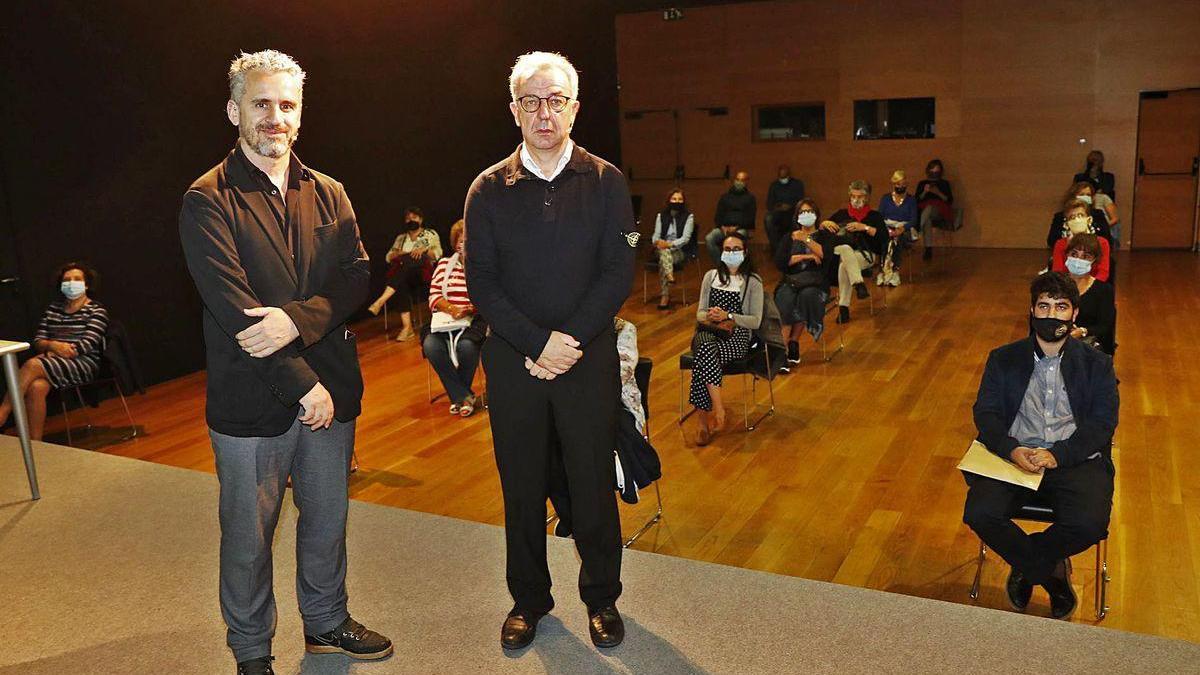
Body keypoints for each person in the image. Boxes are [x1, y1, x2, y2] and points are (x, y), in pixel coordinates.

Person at [178, 50, 391, 675]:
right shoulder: (206, 200)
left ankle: (326, 623)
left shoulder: (329, 191)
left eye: (287, 105)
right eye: (262, 104)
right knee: (248, 539)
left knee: (327, 521)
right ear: (234, 110)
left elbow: (356, 276)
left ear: (300, 114)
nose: (276, 117)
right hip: (254, 400)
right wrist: (303, 385)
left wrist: (297, 321)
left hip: (332, 388)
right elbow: (236, 311)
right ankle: (251, 652)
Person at [464, 51, 635, 652]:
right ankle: (528, 599)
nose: (544, 112)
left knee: (591, 483)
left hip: (586, 357)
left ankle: (603, 597)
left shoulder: (608, 180)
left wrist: (568, 342)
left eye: (555, 99)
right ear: (514, 111)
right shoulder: (486, 189)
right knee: (522, 484)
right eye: (531, 101)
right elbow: (481, 282)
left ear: (574, 107)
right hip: (514, 360)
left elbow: (619, 270)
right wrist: (537, 343)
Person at [964, 272, 1118, 621]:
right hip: (1015, 457)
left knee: (1090, 524)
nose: (1051, 315)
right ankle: (1051, 572)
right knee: (979, 512)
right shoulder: (1003, 358)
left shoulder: (1097, 365)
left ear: (1074, 315)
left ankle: (1028, 564)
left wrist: (1058, 454)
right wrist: (1011, 448)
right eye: (1044, 306)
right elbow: (985, 413)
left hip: (1073, 458)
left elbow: (1102, 424)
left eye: (1061, 307)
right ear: (1031, 310)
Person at [0, 262, 109, 441]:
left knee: (33, 364)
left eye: (77, 279)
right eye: (67, 280)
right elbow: (38, 341)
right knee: (36, 387)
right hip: (52, 361)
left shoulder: (96, 311)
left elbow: (84, 346)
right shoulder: (54, 309)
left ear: (86, 284)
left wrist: (52, 349)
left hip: (84, 363)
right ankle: (35, 443)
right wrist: (53, 346)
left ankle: (3, 412)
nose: (71, 283)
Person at [690, 231, 763, 446]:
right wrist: (712, 315)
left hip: (737, 335)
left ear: (745, 252)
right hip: (709, 330)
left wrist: (729, 316)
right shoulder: (710, 276)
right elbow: (700, 313)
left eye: (736, 249)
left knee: (703, 357)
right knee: (704, 346)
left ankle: (703, 422)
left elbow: (755, 321)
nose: (731, 253)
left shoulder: (752, 282)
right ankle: (718, 408)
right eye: (727, 249)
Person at [421, 220, 486, 416]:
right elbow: (434, 296)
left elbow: (486, 298)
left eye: (465, 241)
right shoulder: (443, 265)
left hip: (472, 321)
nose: (461, 245)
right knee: (431, 345)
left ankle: (459, 397)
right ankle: (463, 396)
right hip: (445, 320)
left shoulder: (481, 267)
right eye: (459, 241)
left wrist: (467, 309)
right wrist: (451, 309)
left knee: (466, 347)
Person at [366, 207, 443, 342]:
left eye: (414, 217)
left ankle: (382, 299)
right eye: (408, 218)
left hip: (423, 275)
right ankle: (407, 328)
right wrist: (399, 254)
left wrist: (423, 250)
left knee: (411, 259)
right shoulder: (401, 239)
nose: (410, 220)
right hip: (405, 277)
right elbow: (388, 257)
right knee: (401, 278)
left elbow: (438, 253)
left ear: (420, 219)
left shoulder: (430, 234)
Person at [774, 199, 833, 368]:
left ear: (816, 215)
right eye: (802, 212)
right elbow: (781, 262)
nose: (805, 215)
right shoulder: (789, 237)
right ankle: (783, 350)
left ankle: (793, 342)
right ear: (797, 216)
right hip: (791, 280)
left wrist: (806, 240)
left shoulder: (824, 235)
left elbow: (825, 256)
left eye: (809, 212)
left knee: (807, 297)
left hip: (815, 282)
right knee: (785, 301)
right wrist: (804, 256)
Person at [824, 180, 888, 324]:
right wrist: (824, 223)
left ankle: (844, 309)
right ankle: (858, 285)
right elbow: (825, 231)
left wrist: (864, 227)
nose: (856, 199)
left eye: (860, 197)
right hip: (841, 253)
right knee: (845, 251)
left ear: (866, 198)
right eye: (853, 196)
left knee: (844, 266)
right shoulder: (841, 214)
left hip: (866, 254)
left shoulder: (874, 216)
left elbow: (884, 237)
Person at [1062, 234, 1116, 355]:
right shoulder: (1053, 285)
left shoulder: (1104, 290)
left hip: (1089, 345)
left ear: (1094, 261)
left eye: (1085, 257)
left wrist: (1082, 331)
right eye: (1074, 254)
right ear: (1067, 255)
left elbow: (1105, 326)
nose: (1078, 260)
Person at [651, 188, 694, 309]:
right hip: (661, 248)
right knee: (664, 252)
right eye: (674, 199)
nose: (677, 201)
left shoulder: (689, 217)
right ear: (669, 200)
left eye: (680, 199)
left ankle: (665, 296)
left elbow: (685, 239)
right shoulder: (661, 216)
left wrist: (669, 245)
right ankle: (669, 275)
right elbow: (656, 235)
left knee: (663, 258)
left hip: (679, 250)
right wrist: (658, 242)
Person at [1051, 199, 1112, 283]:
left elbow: (1103, 272)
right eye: (1072, 217)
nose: (1077, 220)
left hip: (1093, 286)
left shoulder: (1102, 243)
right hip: (1067, 287)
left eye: (1080, 215)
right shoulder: (1061, 244)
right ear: (1067, 223)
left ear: (1089, 219)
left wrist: (1091, 287)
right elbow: (1057, 272)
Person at [877, 169, 917, 287]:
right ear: (893, 184)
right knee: (883, 239)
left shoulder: (911, 200)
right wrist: (888, 229)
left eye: (903, 184)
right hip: (887, 227)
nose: (901, 187)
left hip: (904, 228)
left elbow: (914, 220)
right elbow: (880, 217)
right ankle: (882, 271)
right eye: (898, 184)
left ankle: (895, 271)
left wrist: (902, 229)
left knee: (897, 240)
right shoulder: (885, 198)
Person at [1045, 182, 1114, 250]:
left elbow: (1107, 240)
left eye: (1088, 195)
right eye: (1082, 194)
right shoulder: (1060, 216)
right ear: (1073, 196)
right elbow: (1051, 241)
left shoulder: (1098, 215)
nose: (1085, 197)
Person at [707, 170, 756, 264]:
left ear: (746, 182)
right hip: (723, 228)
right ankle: (721, 264)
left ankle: (737, 265)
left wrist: (736, 228)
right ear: (734, 181)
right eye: (737, 179)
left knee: (738, 239)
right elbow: (718, 216)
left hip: (740, 229)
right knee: (709, 238)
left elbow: (750, 218)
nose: (739, 182)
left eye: (742, 180)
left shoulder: (750, 198)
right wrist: (722, 227)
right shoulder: (725, 197)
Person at [914, 159, 955, 260]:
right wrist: (924, 191)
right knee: (927, 219)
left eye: (937, 171)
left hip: (940, 210)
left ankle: (916, 230)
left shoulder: (944, 183)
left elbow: (949, 200)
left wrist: (937, 192)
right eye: (932, 171)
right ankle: (928, 249)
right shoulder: (923, 183)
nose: (934, 173)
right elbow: (916, 200)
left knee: (930, 208)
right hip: (924, 210)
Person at [765, 164, 805, 255]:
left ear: (789, 174)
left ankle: (796, 247)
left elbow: (801, 201)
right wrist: (778, 207)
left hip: (793, 212)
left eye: (784, 176)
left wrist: (790, 206)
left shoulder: (797, 184)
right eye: (780, 176)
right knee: (768, 219)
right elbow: (769, 203)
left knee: (797, 220)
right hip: (777, 212)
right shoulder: (774, 185)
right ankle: (777, 248)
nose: (782, 178)